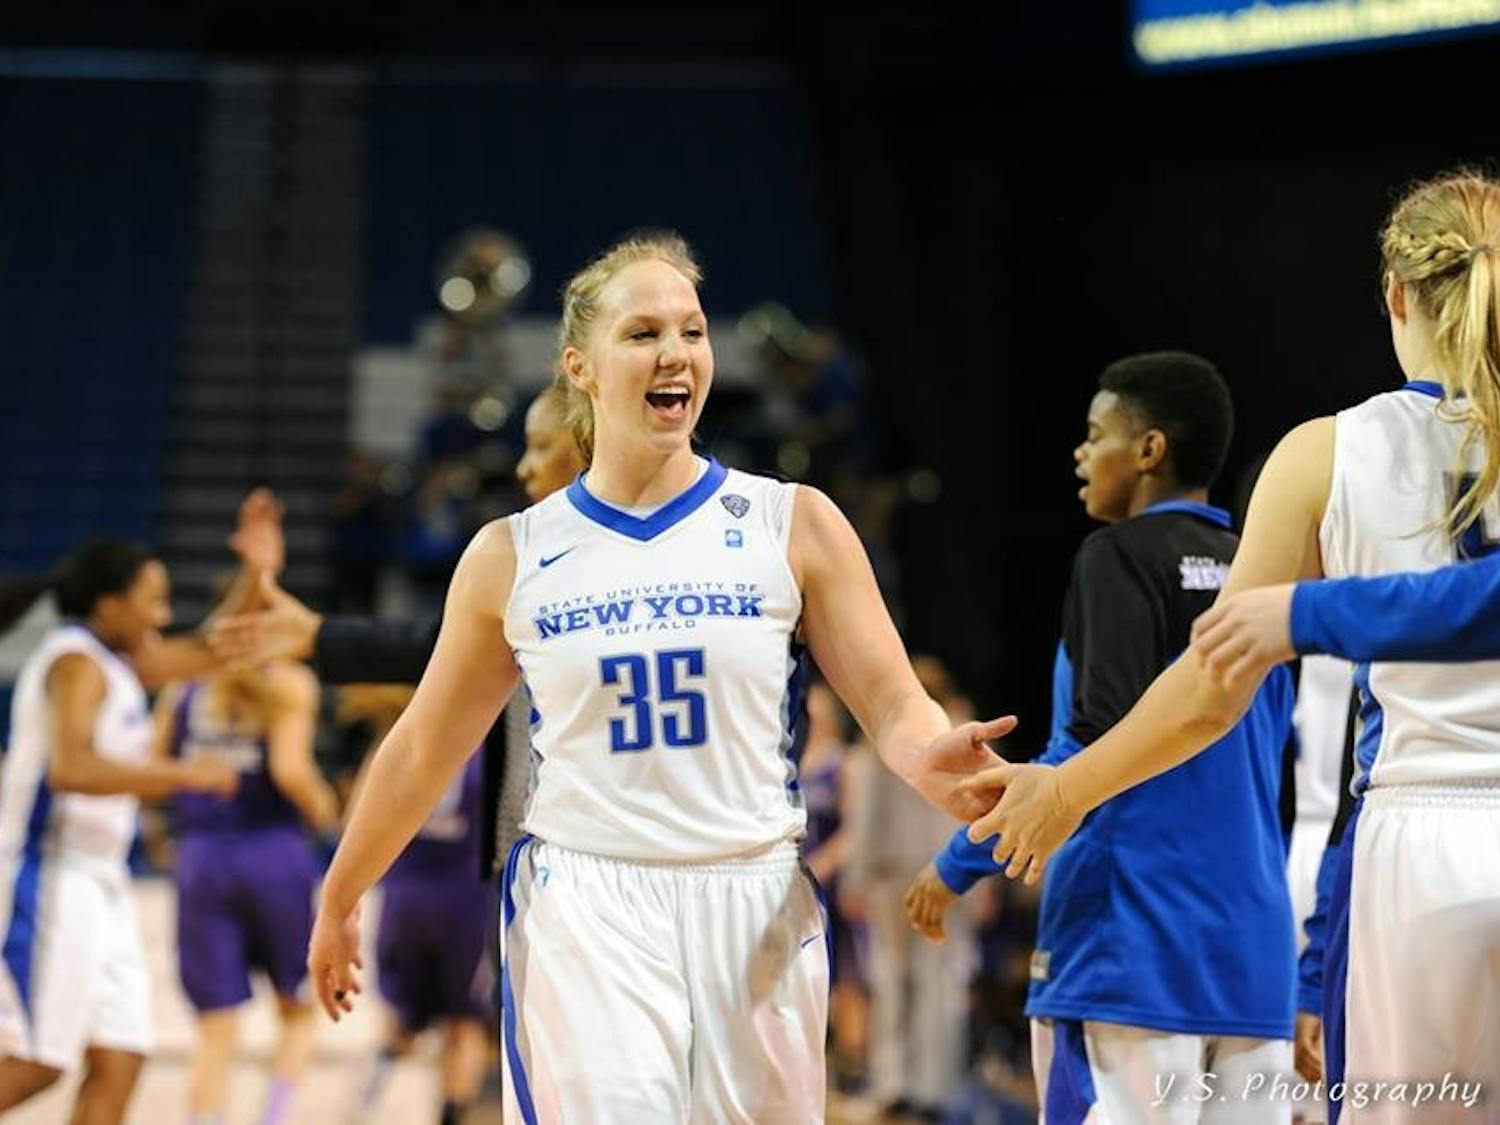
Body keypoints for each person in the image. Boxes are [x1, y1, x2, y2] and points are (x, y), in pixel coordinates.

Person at [304, 231, 1015, 1124]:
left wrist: (933, 756)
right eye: (643, 333)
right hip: (588, 902)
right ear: (581, 368)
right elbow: (423, 746)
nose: (675, 351)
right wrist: (341, 892)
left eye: (693, 330)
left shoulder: (791, 521)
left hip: (754, 895)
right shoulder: (511, 554)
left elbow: (892, 701)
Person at [970, 172, 1500, 1120]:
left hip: (1420, 842)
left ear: (1396, 294)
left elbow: (1212, 686)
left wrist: (1064, 788)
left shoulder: (1327, 451)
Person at [907, 353, 1296, 1123]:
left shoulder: (1114, 557)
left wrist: (954, 864)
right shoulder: (1260, 576)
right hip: (1253, 949)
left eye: (1096, 435)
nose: (1081, 454)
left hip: (1129, 939)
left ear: (1149, 450)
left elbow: (1086, 754)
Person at [0, 539, 240, 1124]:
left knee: (121, 1055)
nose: (164, 615)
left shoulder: (118, 662)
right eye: (152, 600)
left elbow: (217, 646)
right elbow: (72, 769)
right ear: (109, 607)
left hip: (100, 879)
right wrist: (185, 774)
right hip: (47, 873)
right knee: (36, 1061)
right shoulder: (75, 663)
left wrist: (257, 574)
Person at [155, 647, 339, 1125]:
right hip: (272, 852)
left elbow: (153, 770)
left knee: (216, 1025)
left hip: (201, 856)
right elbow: (290, 771)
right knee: (297, 1009)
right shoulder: (290, 681)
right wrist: (325, 809)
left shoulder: (184, 686)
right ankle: (271, 1119)